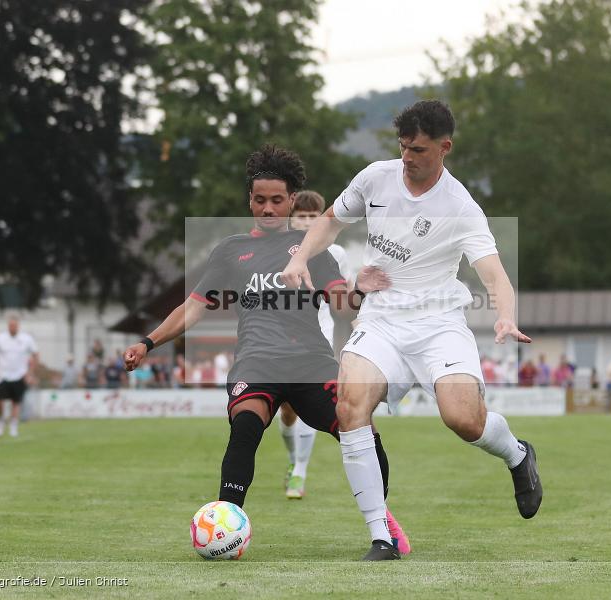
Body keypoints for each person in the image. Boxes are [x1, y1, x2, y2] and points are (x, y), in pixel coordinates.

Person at [281, 100, 541, 560]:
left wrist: (505, 315)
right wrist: (300, 256)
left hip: (439, 325)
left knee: (464, 419)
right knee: (350, 407)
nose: (407, 157)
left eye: (418, 149)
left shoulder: (460, 206)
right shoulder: (374, 177)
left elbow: (495, 274)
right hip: (380, 319)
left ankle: (518, 454)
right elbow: (330, 222)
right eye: (402, 147)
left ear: (444, 147)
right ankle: (381, 535)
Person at [122, 145, 410, 557]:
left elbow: (340, 302)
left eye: (277, 200)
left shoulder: (313, 249)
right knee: (245, 429)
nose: (268, 209)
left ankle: (382, 521)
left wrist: (360, 289)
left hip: (311, 364)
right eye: (260, 200)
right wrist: (148, 341)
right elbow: (192, 309)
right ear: (250, 200)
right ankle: (225, 527)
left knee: (360, 430)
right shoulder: (231, 250)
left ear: (293, 199)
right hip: (256, 363)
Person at [276, 190, 351, 500]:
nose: (306, 221)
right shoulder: (277, 249)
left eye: (312, 216)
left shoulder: (337, 254)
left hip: (319, 338)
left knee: (314, 405)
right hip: (280, 339)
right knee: (288, 412)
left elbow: (343, 303)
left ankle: (300, 473)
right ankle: (294, 461)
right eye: (301, 215)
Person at [0, 315, 39, 437]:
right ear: (8, 326)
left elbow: (36, 354)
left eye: (15, 325)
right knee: (0, 401)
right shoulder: (0, 338)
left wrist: (30, 373)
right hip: (3, 375)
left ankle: (13, 424)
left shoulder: (26, 339)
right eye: (11, 325)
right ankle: (0, 422)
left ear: (18, 326)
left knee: (16, 402)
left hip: (19, 375)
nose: (13, 327)